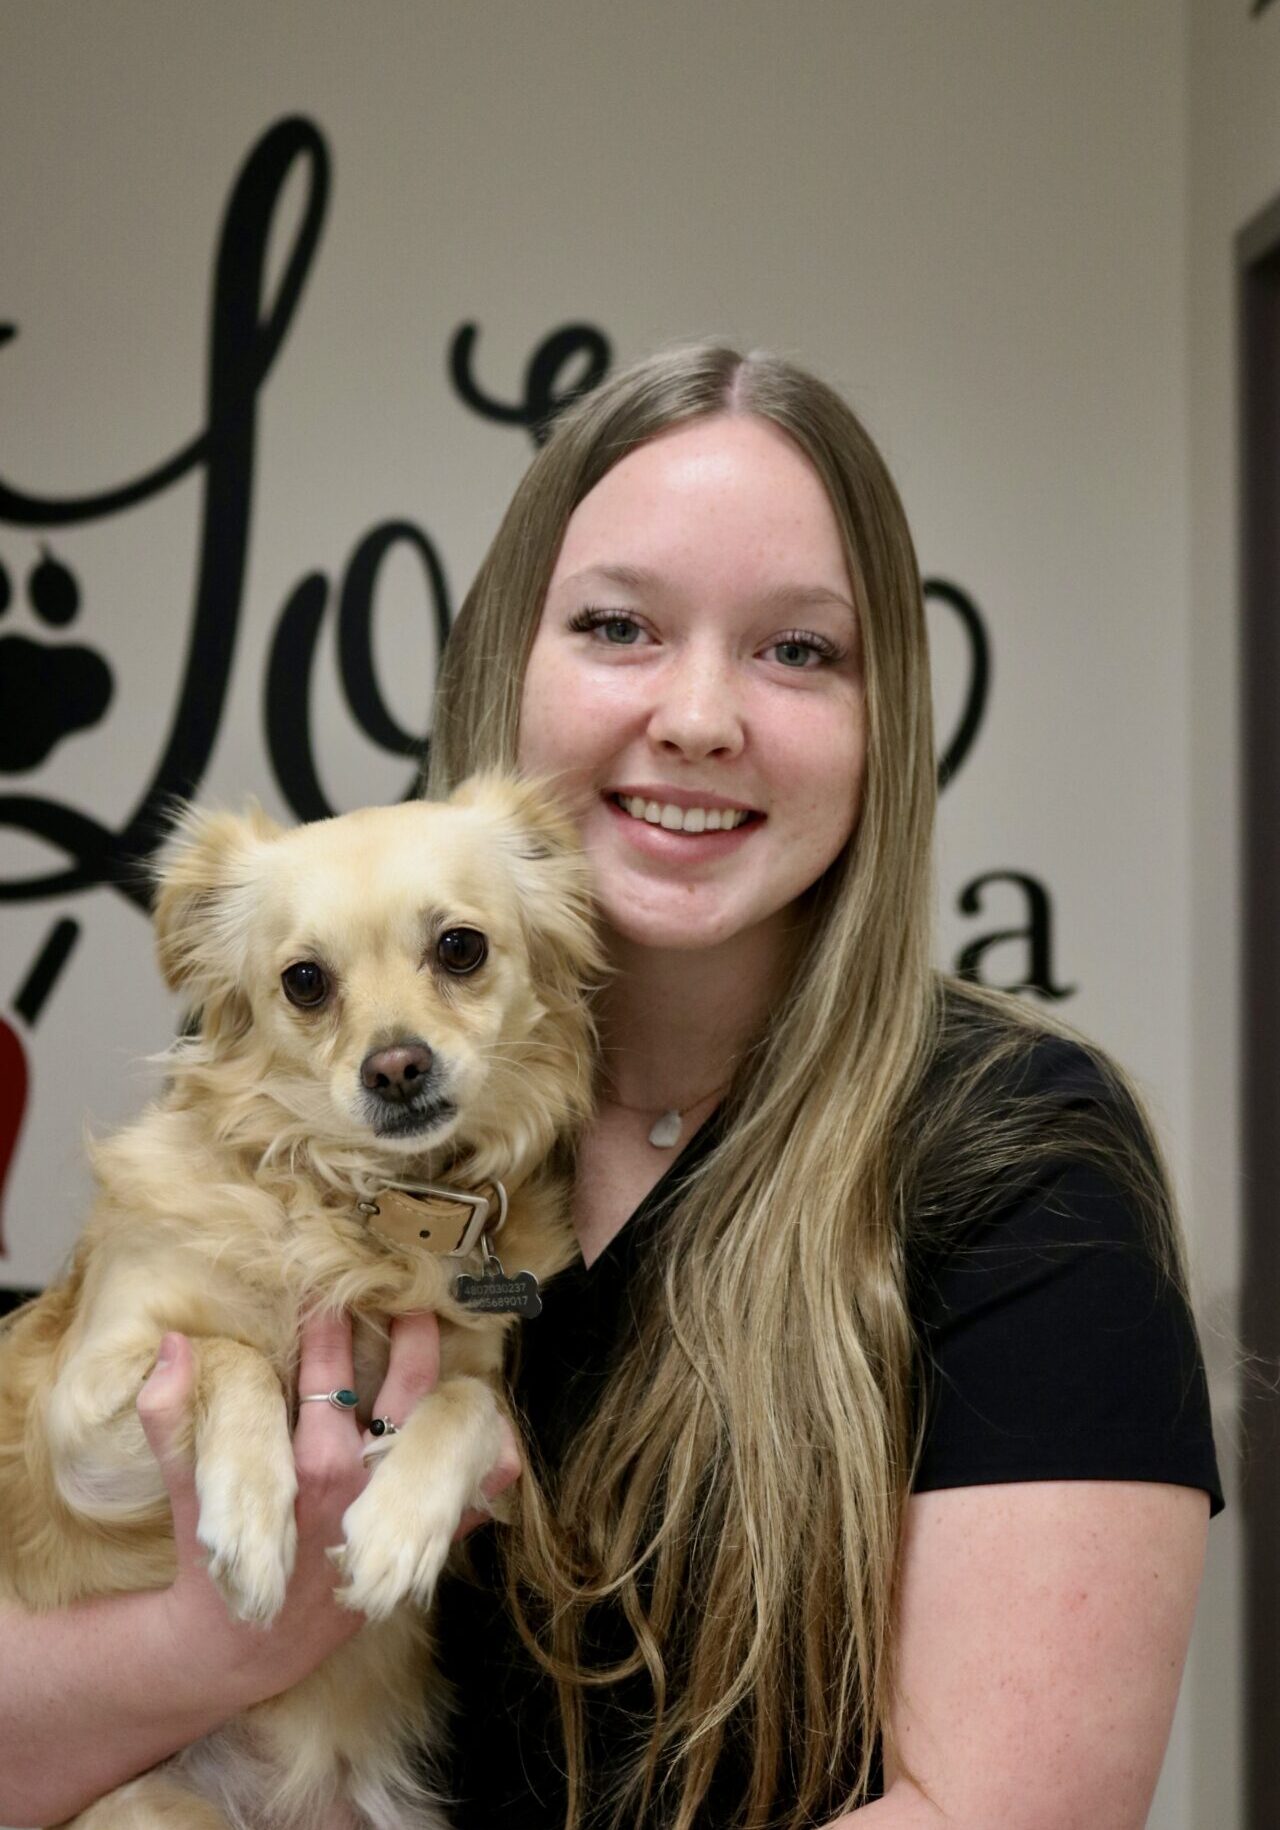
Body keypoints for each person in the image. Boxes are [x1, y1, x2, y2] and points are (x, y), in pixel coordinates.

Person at [0, 345, 1219, 1830]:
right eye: (621, 626)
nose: (701, 715)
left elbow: (1014, 1812)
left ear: (887, 715)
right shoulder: (310, 1164)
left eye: (799, 650)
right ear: (502, 663)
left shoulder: (1020, 1158)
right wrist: (217, 1637)